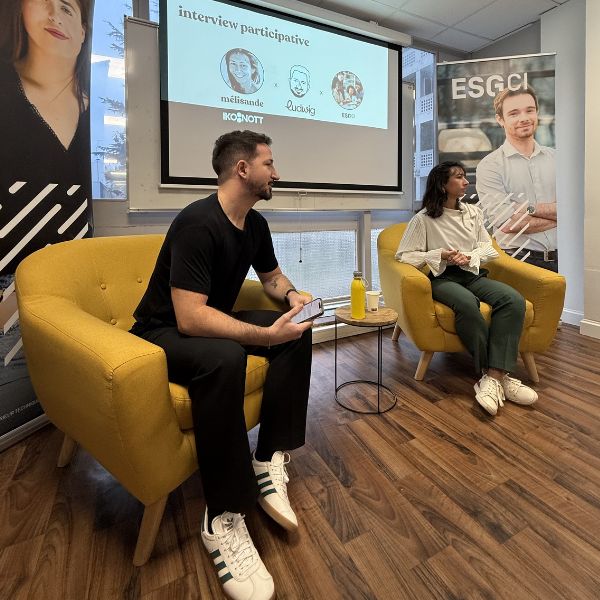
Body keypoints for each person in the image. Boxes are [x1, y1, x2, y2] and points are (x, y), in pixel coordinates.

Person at [130, 130, 313, 600]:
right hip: (161, 331)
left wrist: (292, 299)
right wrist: (262, 334)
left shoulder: (254, 224)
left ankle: (268, 458)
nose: (277, 172)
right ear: (243, 169)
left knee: (296, 333)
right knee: (226, 355)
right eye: (270, 163)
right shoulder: (197, 222)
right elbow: (190, 319)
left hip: (205, 321)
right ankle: (222, 514)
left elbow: (271, 278)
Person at [396, 161, 538, 417]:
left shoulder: (473, 213)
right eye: (459, 177)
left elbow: (489, 249)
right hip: (443, 279)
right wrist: (440, 254)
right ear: (442, 184)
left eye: (465, 177)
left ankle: (494, 376)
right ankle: (494, 374)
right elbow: (404, 256)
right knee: (466, 304)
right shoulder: (423, 219)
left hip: (472, 274)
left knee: (513, 300)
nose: (466, 182)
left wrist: (469, 257)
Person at [0, 0, 93, 275]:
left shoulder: (88, 109)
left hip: (71, 272)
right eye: (44, 2)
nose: (55, 16)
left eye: (67, 8)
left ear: (84, 32)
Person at [476, 86, 557, 272]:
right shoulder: (490, 166)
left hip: (566, 259)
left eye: (530, 110)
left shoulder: (558, 159)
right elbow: (508, 223)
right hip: (518, 261)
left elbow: (575, 210)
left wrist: (527, 208)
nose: (524, 118)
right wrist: (560, 216)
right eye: (514, 113)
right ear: (500, 120)